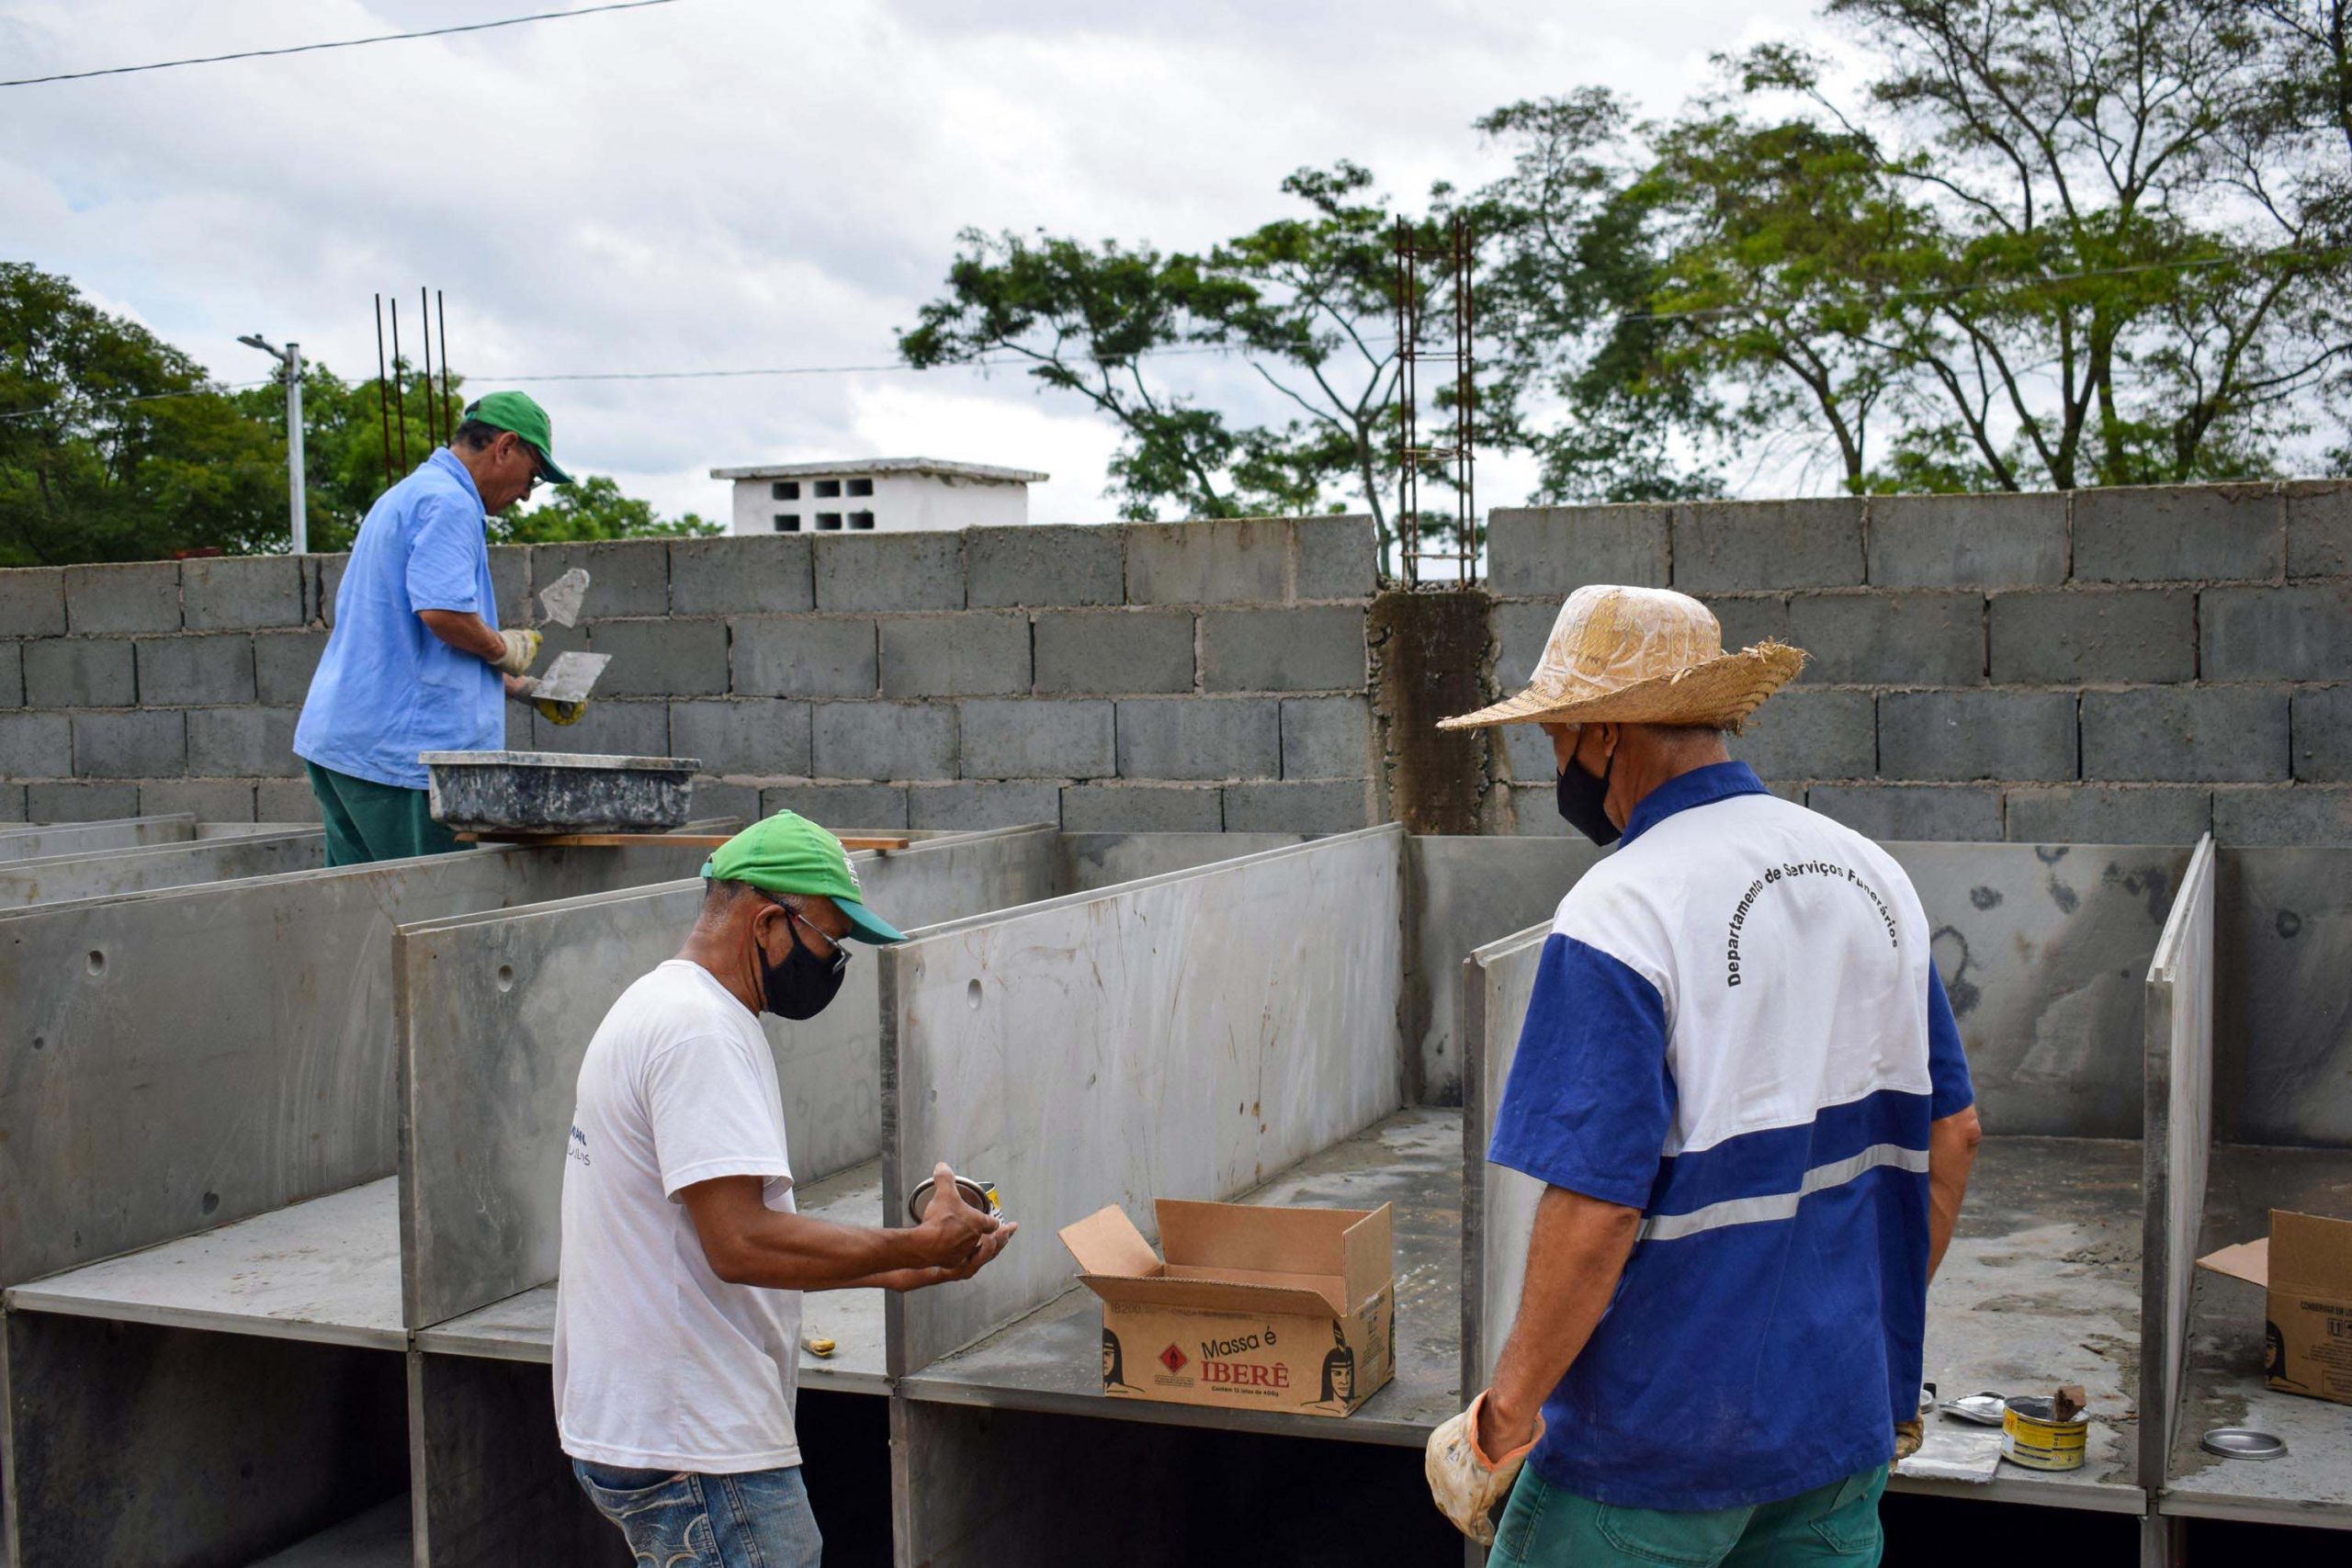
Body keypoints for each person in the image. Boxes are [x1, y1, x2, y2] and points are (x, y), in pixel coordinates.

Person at [1423, 585, 1983, 1565]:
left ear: (1603, 733)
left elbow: (1594, 1215)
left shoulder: (1624, 908)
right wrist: (1852, 1345)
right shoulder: (1872, 878)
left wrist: (1501, 1421)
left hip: (1651, 1450)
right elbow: (1952, 1138)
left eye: (1557, 735)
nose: (1554, 761)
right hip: (1835, 1433)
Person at [554, 811, 1016, 1568]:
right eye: (829, 940)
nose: (833, 962)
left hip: (657, 1427)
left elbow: (729, 1238)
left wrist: (907, 1264)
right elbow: (741, 1242)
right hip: (696, 1442)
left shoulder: (666, 1005)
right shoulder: (698, 1029)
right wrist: (914, 1241)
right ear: (769, 921)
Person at [291, 391, 577, 865]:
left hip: (349, 744)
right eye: (533, 476)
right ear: (504, 447)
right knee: (432, 914)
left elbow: (409, 644)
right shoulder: (450, 504)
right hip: (404, 760)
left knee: (360, 916)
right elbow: (442, 616)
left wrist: (522, 687)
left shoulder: (406, 495)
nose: (527, 493)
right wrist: (501, 647)